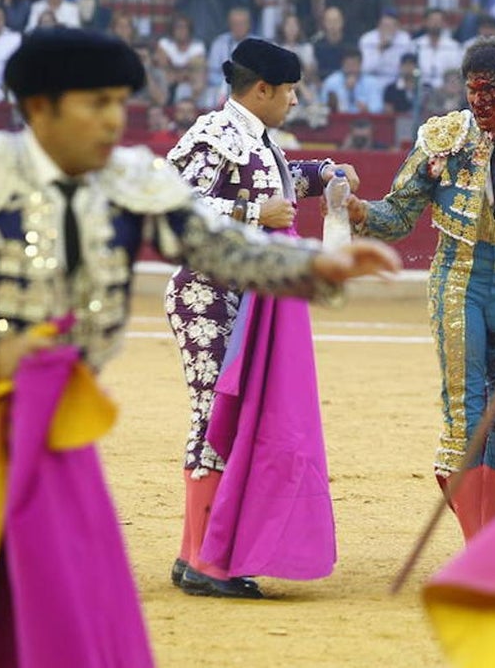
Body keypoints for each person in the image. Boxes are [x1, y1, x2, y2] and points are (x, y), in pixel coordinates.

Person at [0, 27, 399, 666]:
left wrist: (317, 268)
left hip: (65, 425)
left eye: (119, 103)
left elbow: (210, 243)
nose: (115, 121)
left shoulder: (127, 179)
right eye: (97, 104)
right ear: (40, 108)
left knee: (74, 607)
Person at [345, 37, 495, 540]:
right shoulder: (444, 138)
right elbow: (397, 215)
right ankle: (477, 542)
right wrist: (360, 212)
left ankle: (492, 540)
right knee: (468, 411)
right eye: (472, 90)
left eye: (491, 91)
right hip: (458, 280)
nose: (479, 102)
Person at [164, 38, 362, 598]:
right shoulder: (211, 133)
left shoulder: (255, 139)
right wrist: (251, 212)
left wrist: (321, 172)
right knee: (215, 416)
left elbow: (275, 184)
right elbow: (169, 202)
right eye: (291, 90)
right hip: (205, 292)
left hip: (241, 295)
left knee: (222, 417)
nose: (295, 100)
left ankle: (194, 554)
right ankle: (205, 559)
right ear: (262, 90)